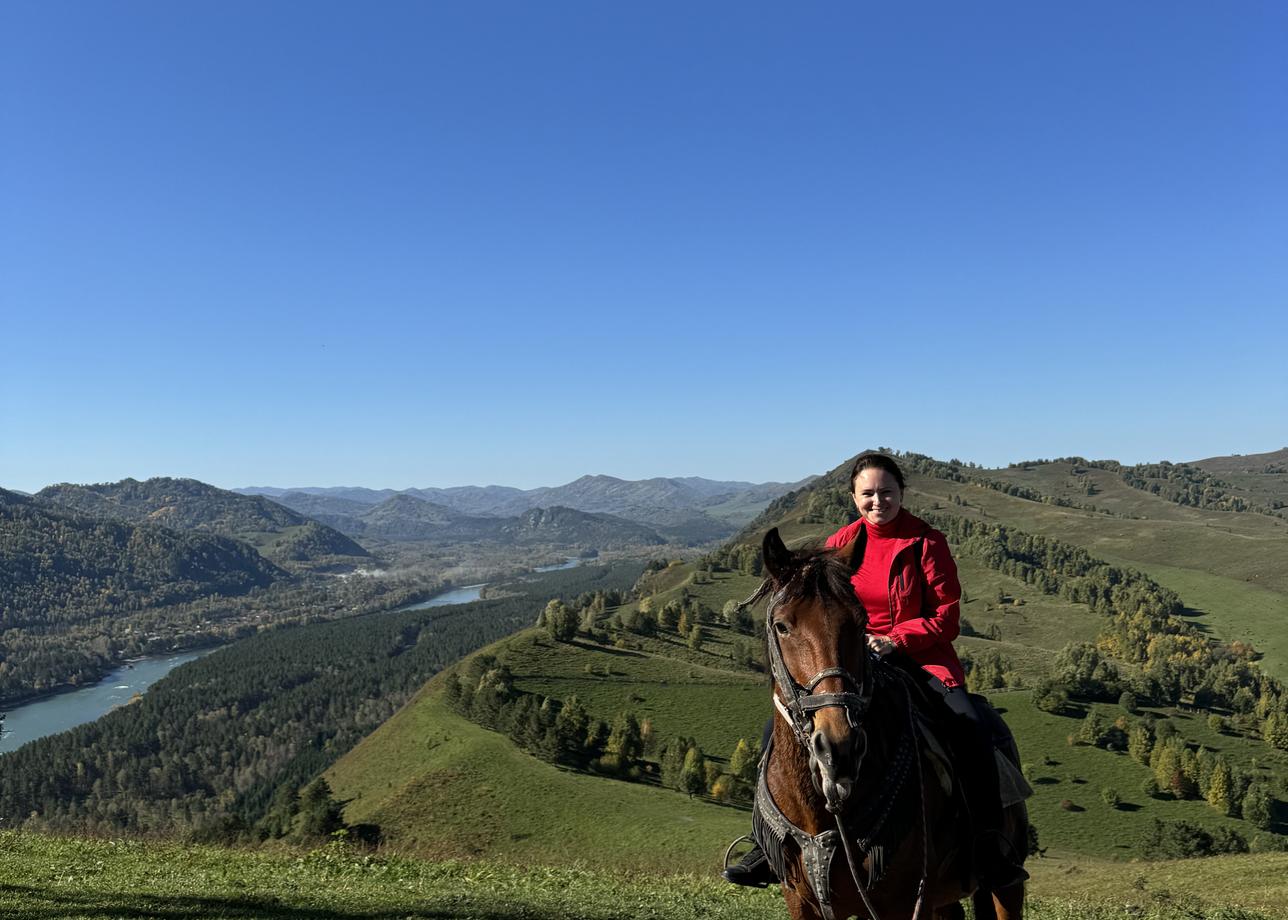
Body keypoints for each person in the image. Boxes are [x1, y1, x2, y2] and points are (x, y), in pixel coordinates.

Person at [723, 452, 1027, 890]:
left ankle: (988, 845)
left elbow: (947, 617)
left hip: (922, 658)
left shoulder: (926, 542)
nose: (877, 501)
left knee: (972, 728)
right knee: (779, 732)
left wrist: (897, 638)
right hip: (854, 659)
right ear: (853, 497)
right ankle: (768, 844)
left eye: (887, 492)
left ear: (902, 493)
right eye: (868, 493)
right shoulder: (840, 544)